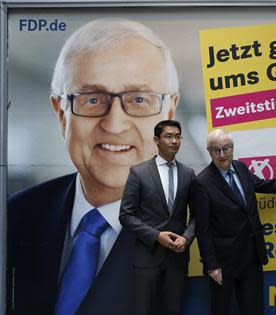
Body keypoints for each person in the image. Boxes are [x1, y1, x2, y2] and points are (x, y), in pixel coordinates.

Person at [7, 19, 180, 315]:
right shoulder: (15, 216)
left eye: (139, 99)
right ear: (62, 115)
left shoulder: (202, 233)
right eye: (92, 99)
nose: (114, 124)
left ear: (169, 114)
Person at [192, 129, 276, 315]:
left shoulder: (241, 168)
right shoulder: (201, 182)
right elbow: (203, 228)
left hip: (250, 257)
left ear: (232, 148)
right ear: (209, 152)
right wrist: (212, 266)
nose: (222, 154)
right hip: (223, 263)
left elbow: (263, 185)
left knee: (253, 309)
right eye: (216, 150)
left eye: (226, 148)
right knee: (221, 310)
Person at [119, 120, 195, 315]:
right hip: (147, 257)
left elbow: (197, 215)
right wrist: (156, 236)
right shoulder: (139, 172)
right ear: (156, 140)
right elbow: (126, 215)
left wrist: (186, 238)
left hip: (177, 259)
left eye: (178, 136)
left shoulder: (188, 173)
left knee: (174, 310)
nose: (174, 141)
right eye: (169, 136)